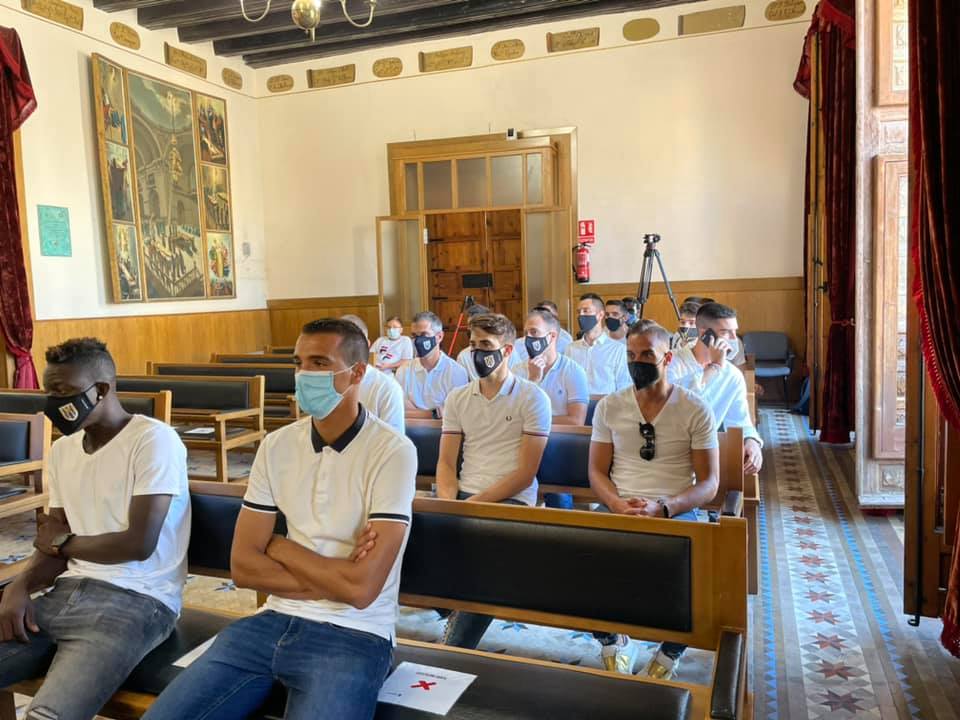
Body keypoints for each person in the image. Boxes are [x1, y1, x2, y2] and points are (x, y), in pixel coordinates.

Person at [144, 319, 418, 720]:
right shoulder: (277, 445)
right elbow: (243, 568)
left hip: (355, 633)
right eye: (298, 363)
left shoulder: (392, 451)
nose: (304, 374)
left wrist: (280, 546)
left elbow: (361, 591)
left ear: (358, 372)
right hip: (268, 622)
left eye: (319, 363)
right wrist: (335, 579)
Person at [0, 338, 190, 720]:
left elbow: (137, 544)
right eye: (49, 392)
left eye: (63, 392)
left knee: (49, 715)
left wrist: (62, 543)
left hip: (138, 601)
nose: (53, 403)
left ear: (100, 390)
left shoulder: (152, 440)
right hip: (67, 591)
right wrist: (20, 586)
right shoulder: (63, 450)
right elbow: (51, 545)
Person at [589, 321, 718, 679]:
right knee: (578, 556)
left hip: (674, 508)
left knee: (692, 570)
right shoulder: (610, 406)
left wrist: (665, 507)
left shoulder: (694, 408)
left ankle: (669, 652)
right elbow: (596, 471)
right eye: (631, 355)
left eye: (647, 354)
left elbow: (709, 483)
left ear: (668, 358)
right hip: (620, 505)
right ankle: (613, 641)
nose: (638, 362)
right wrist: (616, 504)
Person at [437, 312, 551, 649]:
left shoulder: (532, 397)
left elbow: (525, 474)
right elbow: (446, 462)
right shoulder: (458, 397)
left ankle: (454, 651)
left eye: (486, 345)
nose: (477, 353)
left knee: (486, 563)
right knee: (410, 540)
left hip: (510, 499)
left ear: (507, 351)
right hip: (465, 494)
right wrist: (447, 503)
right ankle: (452, 612)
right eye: (473, 345)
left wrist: (472, 506)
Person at [667, 303, 763, 475]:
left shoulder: (732, 375)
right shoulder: (672, 362)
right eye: (725, 332)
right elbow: (678, 406)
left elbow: (740, 421)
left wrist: (752, 440)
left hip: (705, 455)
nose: (734, 339)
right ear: (705, 334)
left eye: (735, 332)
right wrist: (714, 367)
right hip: (668, 452)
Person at [514, 308, 590, 425]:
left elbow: (576, 421)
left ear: (552, 336)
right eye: (526, 333)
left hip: (559, 435)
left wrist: (534, 421)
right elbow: (512, 416)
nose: (527, 338)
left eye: (534, 332)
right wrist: (533, 381)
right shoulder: (517, 370)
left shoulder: (574, 371)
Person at [396, 310, 469, 418]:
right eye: (415, 336)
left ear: (439, 337)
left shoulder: (456, 372)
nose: (418, 341)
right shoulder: (403, 370)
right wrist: (434, 414)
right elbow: (400, 411)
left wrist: (419, 415)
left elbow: (456, 415)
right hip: (410, 427)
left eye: (424, 334)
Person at [341, 314, 405, 434]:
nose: (346, 349)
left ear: (366, 343)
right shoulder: (325, 381)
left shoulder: (388, 388)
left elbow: (394, 440)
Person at [564, 293, 632, 395]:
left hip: (606, 404)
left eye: (586, 311)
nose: (581, 315)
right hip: (575, 403)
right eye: (579, 312)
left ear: (600, 315)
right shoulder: (570, 348)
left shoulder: (618, 350)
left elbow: (624, 388)